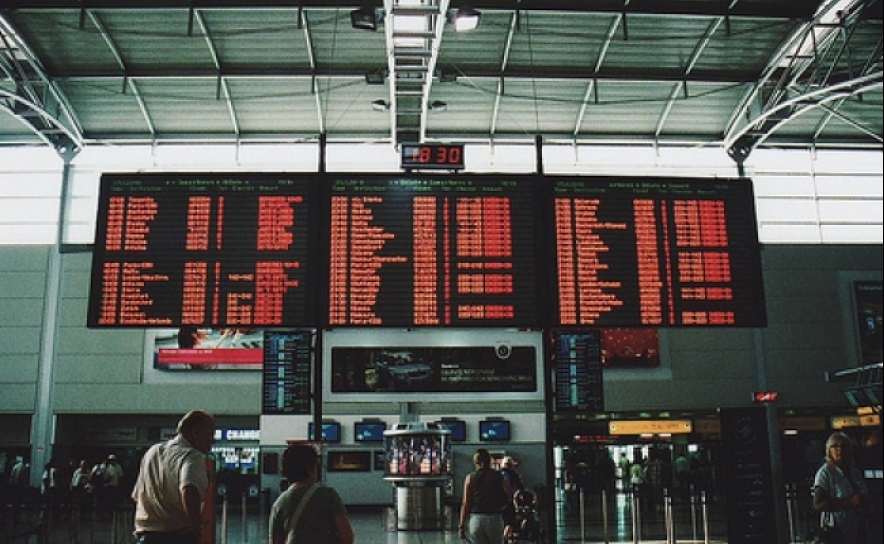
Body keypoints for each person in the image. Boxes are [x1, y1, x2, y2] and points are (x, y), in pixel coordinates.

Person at [132, 410, 216, 544]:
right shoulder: (192, 456)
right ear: (195, 432)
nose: (212, 440)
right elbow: (189, 489)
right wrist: (196, 528)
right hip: (176, 536)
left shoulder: (152, 452)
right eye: (209, 434)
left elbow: (138, 495)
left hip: (146, 536)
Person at [269, 443, 354, 544]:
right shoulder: (328, 495)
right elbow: (347, 536)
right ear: (310, 469)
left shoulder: (279, 504)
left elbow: (275, 541)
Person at [813, 432, 870, 544]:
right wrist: (849, 502)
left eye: (844, 446)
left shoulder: (855, 472)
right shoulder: (825, 473)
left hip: (858, 527)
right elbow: (818, 504)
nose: (840, 450)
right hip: (837, 532)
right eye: (835, 446)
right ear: (829, 450)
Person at [459, 448, 513, 544]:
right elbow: (510, 494)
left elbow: (465, 503)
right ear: (489, 461)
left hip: (476, 519)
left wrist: (461, 526)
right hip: (494, 518)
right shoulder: (498, 476)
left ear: (475, 462)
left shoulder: (469, 478)